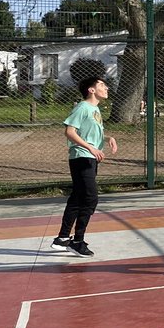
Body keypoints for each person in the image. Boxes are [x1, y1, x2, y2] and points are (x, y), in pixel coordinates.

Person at [52, 75, 118, 257]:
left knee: (78, 197)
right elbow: (69, 131)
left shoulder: (95, 109)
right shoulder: (83, 107)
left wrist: (107, 138)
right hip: (82, 158)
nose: (106, 88)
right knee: (91, 199)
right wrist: (90, 147)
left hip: (88, 157)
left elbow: (86, 133)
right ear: (91, 90)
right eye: (102, 85)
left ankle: (63, 238)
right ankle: (77, 241)